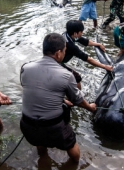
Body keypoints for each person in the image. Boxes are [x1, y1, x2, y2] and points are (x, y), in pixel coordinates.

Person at [20, 33, 96, 163]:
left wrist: (62, 100)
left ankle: (43, 161)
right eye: (65, 51)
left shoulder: (25, 68)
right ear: (58, 53)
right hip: (53, 127)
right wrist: (90, 107)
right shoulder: (66, 75)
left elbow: (37, 91)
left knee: (40, 142)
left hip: (27, 124)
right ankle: (74, 165)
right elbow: (77, 100)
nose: (65, 54)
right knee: (72, 146)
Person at [62, 20, 113, 90]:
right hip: (57, 63)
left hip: (55, 59)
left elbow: (85, 41)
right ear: (75, 33)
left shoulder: (68, 34)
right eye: (81, 32)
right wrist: (105, 66)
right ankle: (78, 98)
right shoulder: (70, 46)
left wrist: (98, 44)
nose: (82, 33)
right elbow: (87, 59)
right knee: (77, 78)